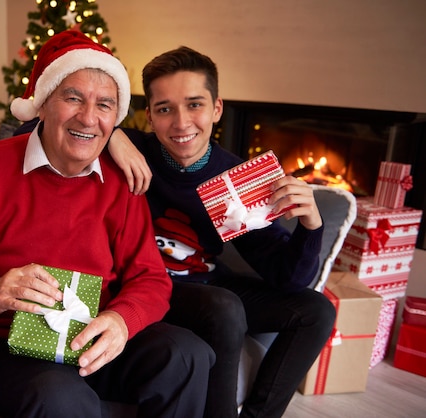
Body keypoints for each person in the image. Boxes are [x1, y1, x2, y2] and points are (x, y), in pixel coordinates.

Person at [0, 30, 214, 418]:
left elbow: (150, 278)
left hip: (89, 334)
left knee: (187, 355)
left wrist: (120, 321)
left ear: (115, 119)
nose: (88, 117)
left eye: (104, 104)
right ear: (44, 103)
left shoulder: (122, 180)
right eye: (73, 98)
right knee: (62, 396)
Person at [106, 47, 337, 417]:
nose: (181, 123)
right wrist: (111, 135)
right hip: (148, 288)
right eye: (165, 109)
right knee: (223, 306)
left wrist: (311, 225)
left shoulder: (237, 177)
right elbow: (33, 129)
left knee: (317, 310)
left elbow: (287, 278)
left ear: (217, 109)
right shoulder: (129, 151)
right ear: (149, 116)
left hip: (206, 288)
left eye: (195, 104)